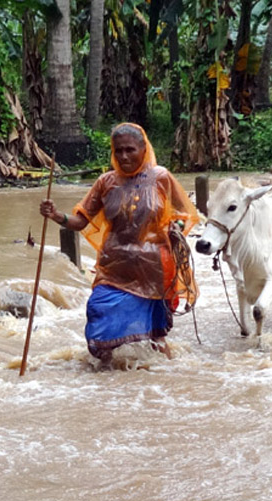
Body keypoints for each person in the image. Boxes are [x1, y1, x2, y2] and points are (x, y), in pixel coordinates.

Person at [39, 123, 199, 364]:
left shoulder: (161, 178)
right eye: (118, 150)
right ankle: (104, 379)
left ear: (143, 149)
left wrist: (175, 228)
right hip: (114, 269)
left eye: (130, 150)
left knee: (156, 336)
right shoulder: (106, 182)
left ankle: (162, 378)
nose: (124, 156)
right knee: (98, 311)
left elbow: (183, 214)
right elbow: (80, 221)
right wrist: (56, 216)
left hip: (155, 271)